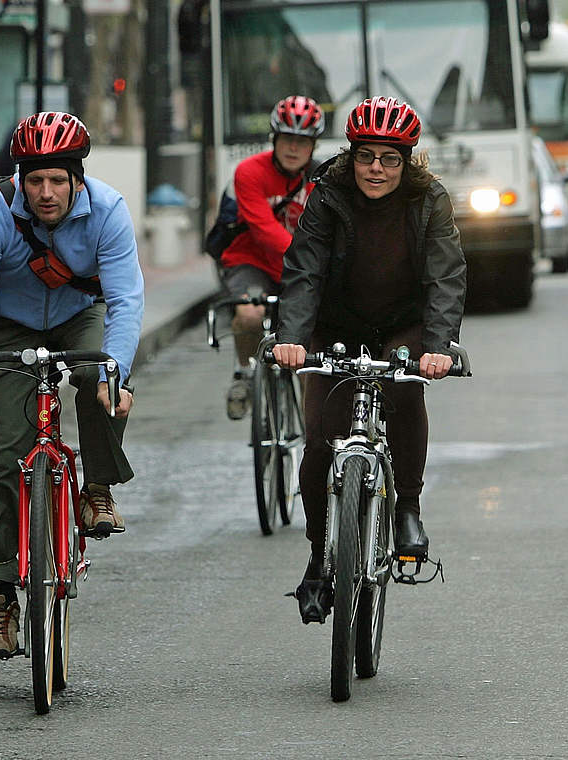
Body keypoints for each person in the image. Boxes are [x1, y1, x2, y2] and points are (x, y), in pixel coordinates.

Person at [0, 112, 143, 659]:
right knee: (0, 453)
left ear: (78, 178)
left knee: (100, 374)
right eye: (35, 180)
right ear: (20, 179)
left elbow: (125, 300)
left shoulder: (108, 211)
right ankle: (0, 599)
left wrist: (118, 375)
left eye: (58, 179)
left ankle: (97, 488)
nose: (46, 192)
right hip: (8, 326)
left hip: (80, 314)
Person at [270, 96, 466, 624]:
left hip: (404, 322)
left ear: (407, 162)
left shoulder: (430, 201)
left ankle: (407, 508)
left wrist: (438, 348)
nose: (376, 168)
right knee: (318, 442)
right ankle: (319, 555)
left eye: (389, 158)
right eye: (366, 156)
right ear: (351, 156)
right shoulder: (327, 195)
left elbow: (445, 278)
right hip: (337, 325)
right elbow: (304, 270)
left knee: (404, 388)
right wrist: (291, 337)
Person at [220, 96, 323, 420]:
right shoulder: (249, 172)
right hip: (252, 261)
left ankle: (314, 428)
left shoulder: (324, 177)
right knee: (250, 315)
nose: (294, 148)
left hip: (303, 269)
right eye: (287, 139)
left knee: (314, 348)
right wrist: (310, 261)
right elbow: (264, 230)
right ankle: (244, 372)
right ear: (274, 140)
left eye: (302, 142)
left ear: (313, 145)